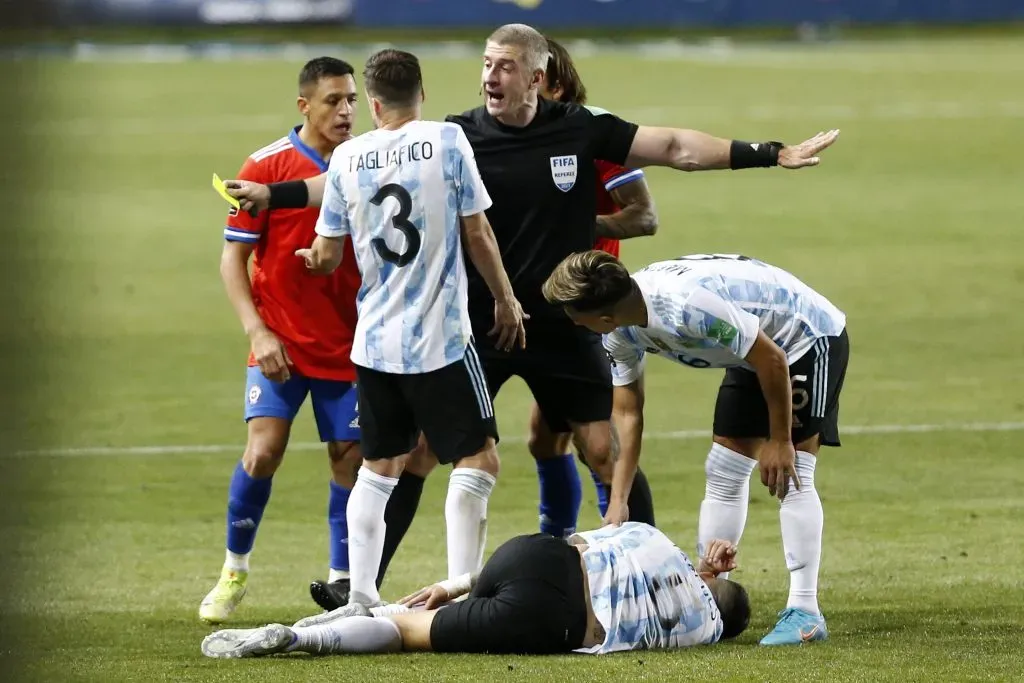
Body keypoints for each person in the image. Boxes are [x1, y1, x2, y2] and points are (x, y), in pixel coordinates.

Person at [221, 23, 840, 526]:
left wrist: (768, 153)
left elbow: (676, 146)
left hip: (566, 322)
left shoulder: (581, 128)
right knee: (418, 452)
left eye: (506, 65)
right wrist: (274, 198)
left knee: (602, 449)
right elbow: (345, 179)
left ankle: (645, 567)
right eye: (487, 63)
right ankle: (360, 591)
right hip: (478, 323)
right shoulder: (454, 135)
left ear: (537, 78)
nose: (491, 74)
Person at [294, 49, 525, 612]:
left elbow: (326, 254)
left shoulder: (346, 158)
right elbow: (478, 232)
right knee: (478, 459)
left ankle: (362, 596)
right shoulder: (447, 141)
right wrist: (505, 297)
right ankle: (464, 588)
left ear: (372, 103)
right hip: (441, 338)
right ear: (420, 94)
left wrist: (310, 259)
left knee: (378, 467)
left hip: (374, 342)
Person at [201, 56, 421, 624]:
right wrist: (258, 330)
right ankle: (234, 570)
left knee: (349, 459)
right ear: (305, 105)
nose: (346, 110)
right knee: (263, 450)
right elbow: (233, 259)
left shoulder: (373, 159)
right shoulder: (266, 164)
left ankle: (343, 584)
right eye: (333, 101)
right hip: (280, 342)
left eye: (352, 99)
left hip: (352, 345)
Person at [541, 250, 850, 646]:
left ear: (603, 318)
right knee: (723, 468)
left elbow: (772, 359)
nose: (570, 321)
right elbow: (628, 412)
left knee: (793, 472)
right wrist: (618, 501)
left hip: (804, 336)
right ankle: (707, 594)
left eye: (572, 314)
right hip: (753, 350)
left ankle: (805, 612)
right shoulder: (620, 328)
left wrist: (779, 439)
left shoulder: (687, 308)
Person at [200, 522, 751, 658]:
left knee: (437, 604)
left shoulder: (650, 538)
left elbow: (577, 536)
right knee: (406, 632)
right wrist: (709, 583)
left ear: (712, 579)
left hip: (533, 554)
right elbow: (692, 602)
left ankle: (333, 615)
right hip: (552, 616)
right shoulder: (703, 630)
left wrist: (452, 582)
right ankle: (301, 642)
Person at [531, 36, 659, 535]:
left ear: (555, 83)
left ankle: (638, 550)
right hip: (542, 305)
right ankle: (555, 542)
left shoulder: (593, 135)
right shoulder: (514, 139)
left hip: (589, 309)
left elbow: (644, 217)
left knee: (600, 444)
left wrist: (579, 222)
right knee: (545, 437)